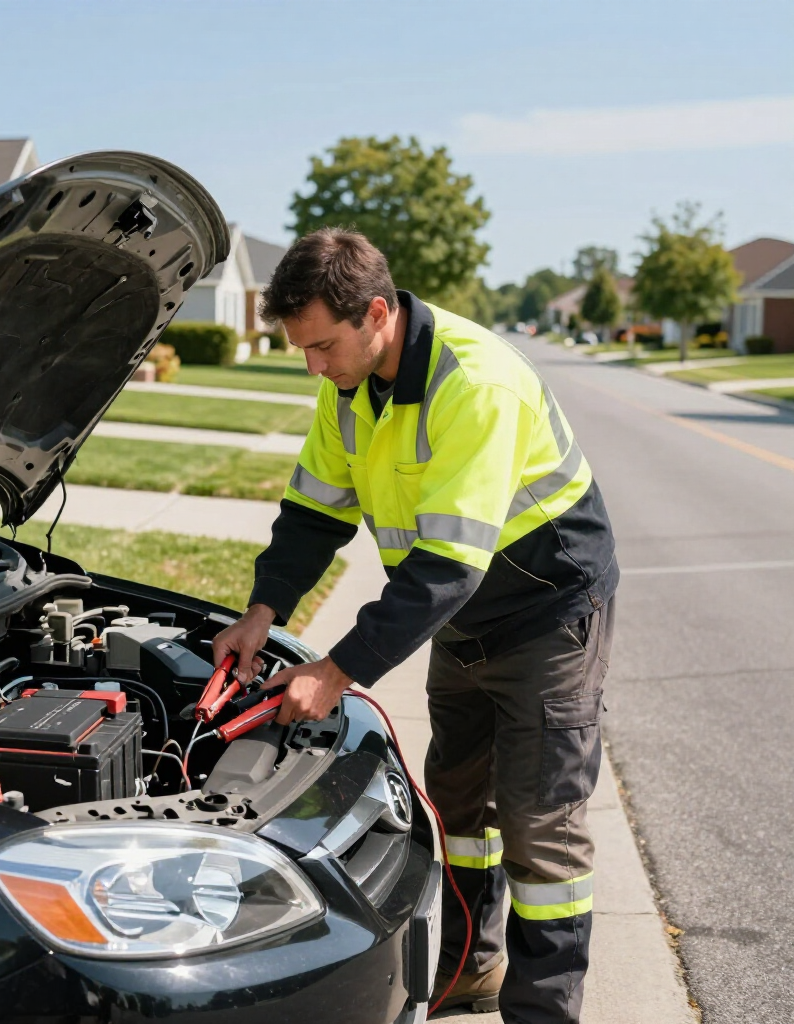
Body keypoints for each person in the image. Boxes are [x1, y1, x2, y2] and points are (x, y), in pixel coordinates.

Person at [212, 228, 617, 1022]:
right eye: (303, 350)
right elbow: (311, 514)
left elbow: (446, 567)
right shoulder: (347, 390)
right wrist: (263, 612)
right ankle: (475, 967)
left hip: (547, 613)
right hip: (462, 617)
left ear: (377, 313)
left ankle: (543, 1013)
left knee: (541, 828)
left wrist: (334, 673)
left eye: (324, 345)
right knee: (458, 805)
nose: (315, 368)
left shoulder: (476, 386)